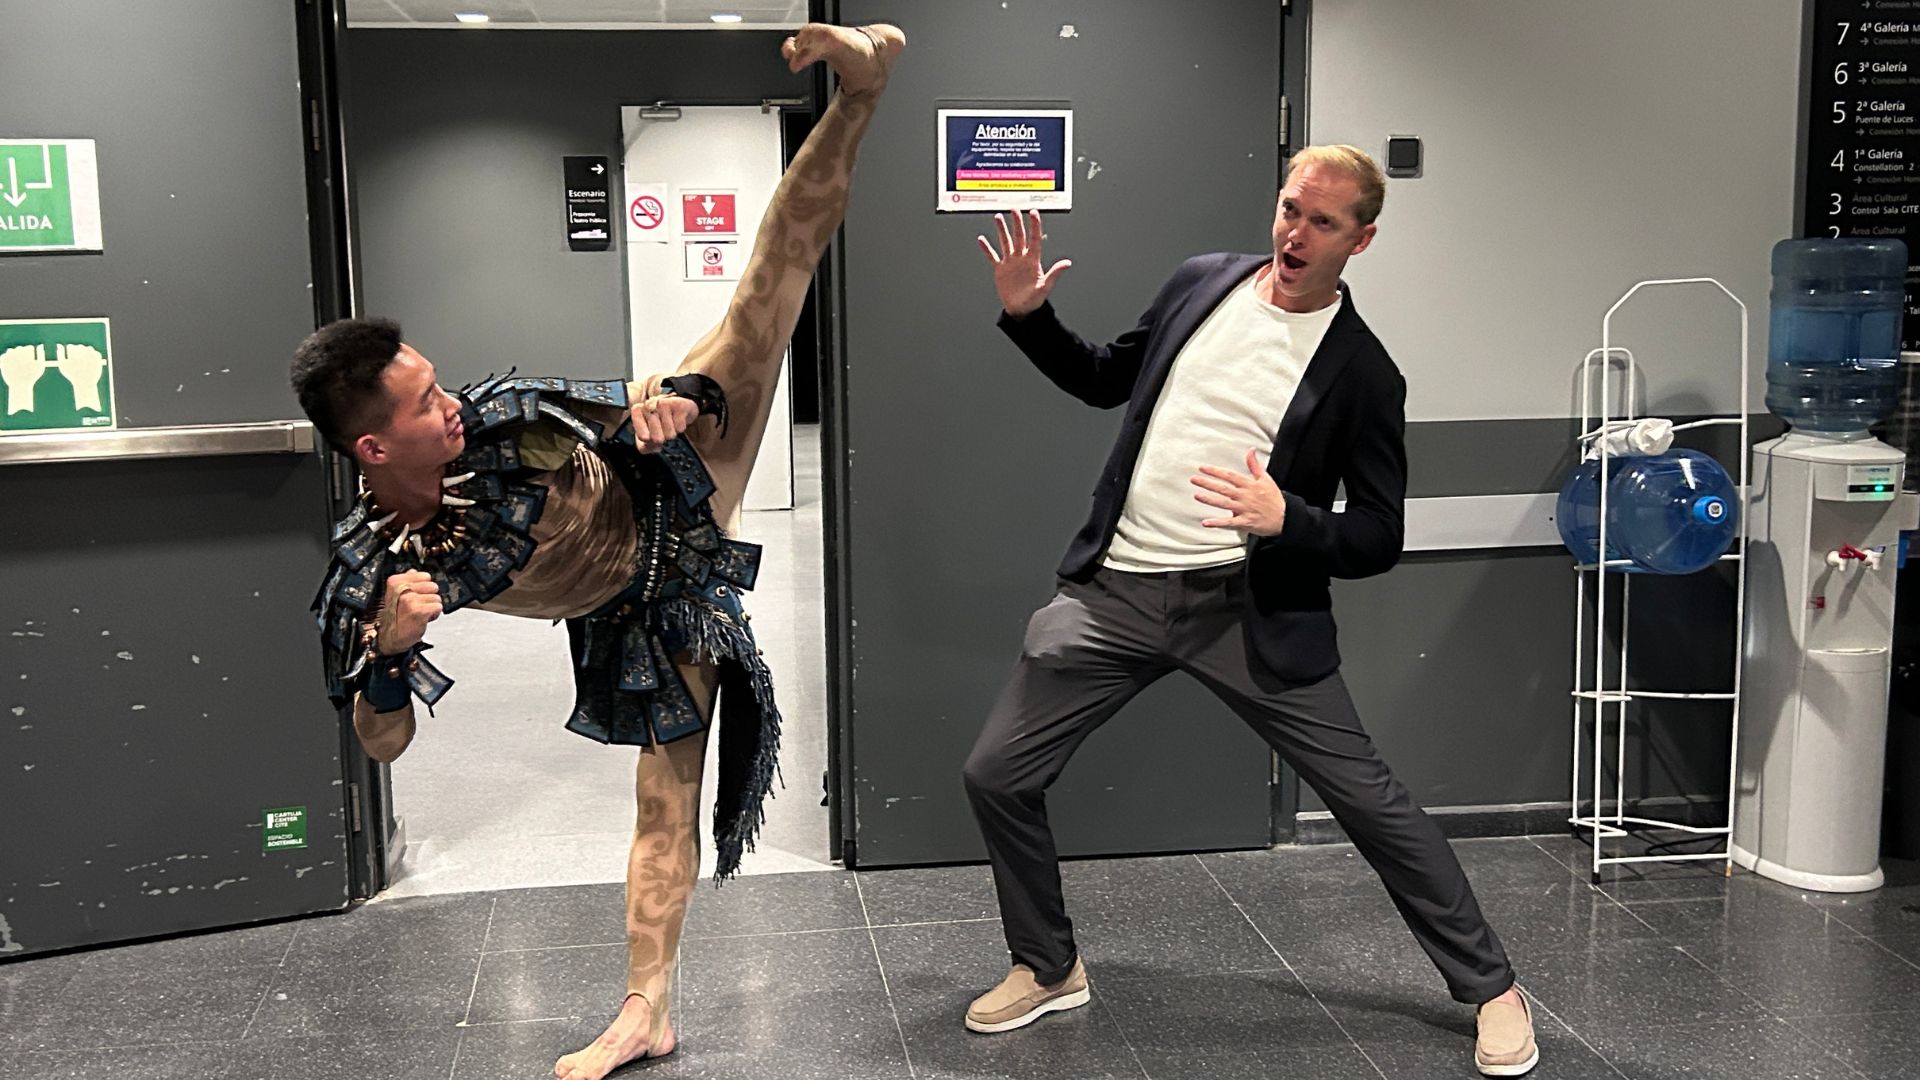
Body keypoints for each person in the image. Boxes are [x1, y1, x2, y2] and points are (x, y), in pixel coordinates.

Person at [287, 23, 904, 1080]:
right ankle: (646, 1013)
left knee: (771, 279)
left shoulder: (503, 423)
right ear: (373, 446)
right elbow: (380, 745)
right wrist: (389, 656)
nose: (454, 403)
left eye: (442, 382)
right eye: (428, 402)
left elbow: (613, 406)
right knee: (663, 801)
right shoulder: (372, 566)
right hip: (640, 605)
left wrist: (675, 404)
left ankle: (862, 86)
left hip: (676, 483)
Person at [960, 145, 1539, 1077]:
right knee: (995, 772)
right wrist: (1031, 317)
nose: (1293, 232)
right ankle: (1047, 963)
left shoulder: (1361, 373)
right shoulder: (1203, 283)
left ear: (1362, 238)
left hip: (1247, 614)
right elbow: (1111, 376)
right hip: (1117, 594)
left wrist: (1291, 518)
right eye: (1287, 208)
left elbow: (1379, 536)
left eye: (1320, 221)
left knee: (1371, 803)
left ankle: (1493, 989)